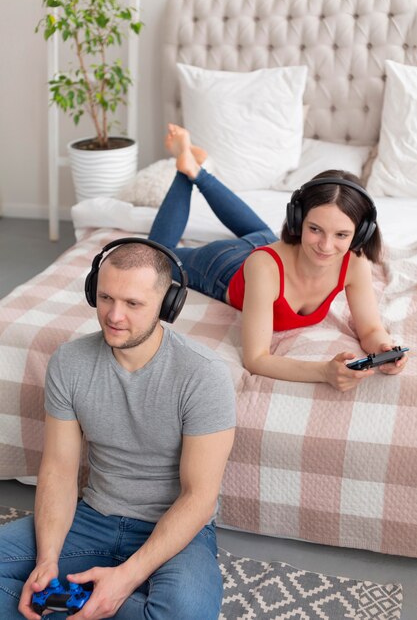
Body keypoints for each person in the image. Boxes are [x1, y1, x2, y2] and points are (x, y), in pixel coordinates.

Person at [0, 239, 236, 620]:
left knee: (184, 611)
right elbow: (59, 470)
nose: (114, 315)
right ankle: (84, 602)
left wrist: (126, 578)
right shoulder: (69, 362)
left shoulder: (203, 375)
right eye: (106, 297)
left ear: (167, 305)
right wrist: (47, 561)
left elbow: (199, 498)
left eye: (133, 304)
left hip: (172, 527)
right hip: (93, 516)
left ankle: (84, 603)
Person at [148, 124, 408, 393]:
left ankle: (196, 170)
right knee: (152, 256)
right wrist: (323, 372)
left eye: (341, 234)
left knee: (259, 233)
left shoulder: (355, 262)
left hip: (269, 242)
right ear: (297, 221)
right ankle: (185, 169)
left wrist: (383, 348)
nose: (326, 246)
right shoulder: (264, 267)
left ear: (360, 233)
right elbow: (256, 359)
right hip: (225, 266)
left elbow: (370, 330)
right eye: (315, 229)